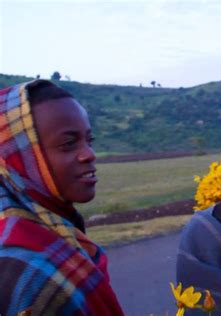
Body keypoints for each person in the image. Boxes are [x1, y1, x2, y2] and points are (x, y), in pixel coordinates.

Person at [0, 80, 123, 315]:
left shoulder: (59, 240)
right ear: (20, 159)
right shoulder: (18, 268)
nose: (89, 154)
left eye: (89, 140)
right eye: (68, 143)